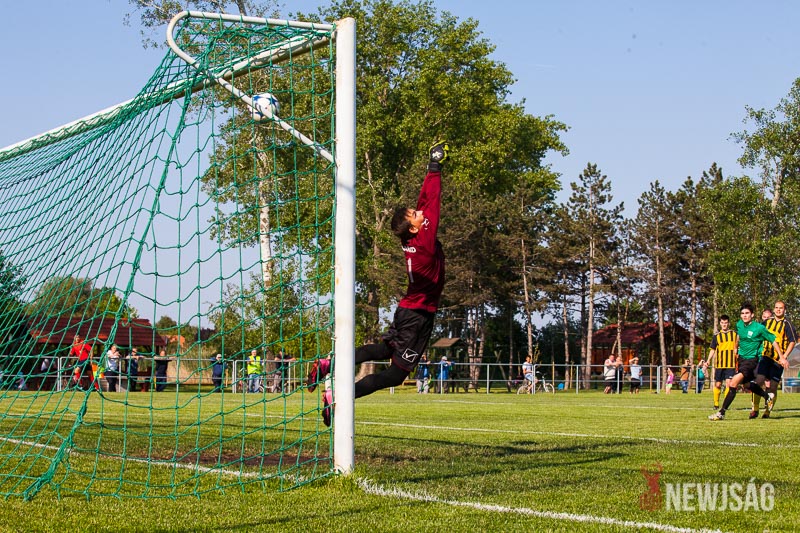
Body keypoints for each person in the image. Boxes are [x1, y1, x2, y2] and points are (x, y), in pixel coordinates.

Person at [305, 141, 449, 426]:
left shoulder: (413, 238)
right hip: (418, 316)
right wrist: (435, 167)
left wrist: (432, 167)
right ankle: (338, 396)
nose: (420, 213)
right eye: (415, 215)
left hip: (408, 311)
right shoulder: (424, 243)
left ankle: (328, 364)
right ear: (413, 227)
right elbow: (432, 202)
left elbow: (424, 204)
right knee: (395, 375)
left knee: (383, 350)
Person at [710, 303, 782, 421]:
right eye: (742, 313)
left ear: (752, 315)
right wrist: (735, 347)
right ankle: (767, 396)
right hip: (741, 360)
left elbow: (773, 340)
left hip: (752, 360)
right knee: (747, 385)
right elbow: (739, 336)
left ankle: (721, 412)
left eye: (747, 313)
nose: (744, 315)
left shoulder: (759, 328)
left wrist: (782, 357)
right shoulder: (739, 325)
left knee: (733, 383)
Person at [750, 300, 795, 419]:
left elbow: (792, 342)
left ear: (784, 310)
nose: (778, 310)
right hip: (765, 357)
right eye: (776, 307)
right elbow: (757, 334)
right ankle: (755, 409)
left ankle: (767, 412)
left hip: (778, 360)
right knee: (758, 381)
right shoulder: (767, 322)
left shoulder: (787, 324)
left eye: (781, 308)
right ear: (774, 309)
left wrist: (784, 357)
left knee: (773, 387)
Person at [706, 314, 737, 410]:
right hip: (719, 364)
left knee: (729, 384)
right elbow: (712, 349)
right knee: (718, 384)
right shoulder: (716, 336)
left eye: (726, 323)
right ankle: (716, 404)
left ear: (729, 323)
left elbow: (738, 347)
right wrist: (708, 360)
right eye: (722, 323)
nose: (724, 324)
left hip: (731, 364)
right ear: (720, 323)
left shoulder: (734, 334)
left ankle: (725, 405)